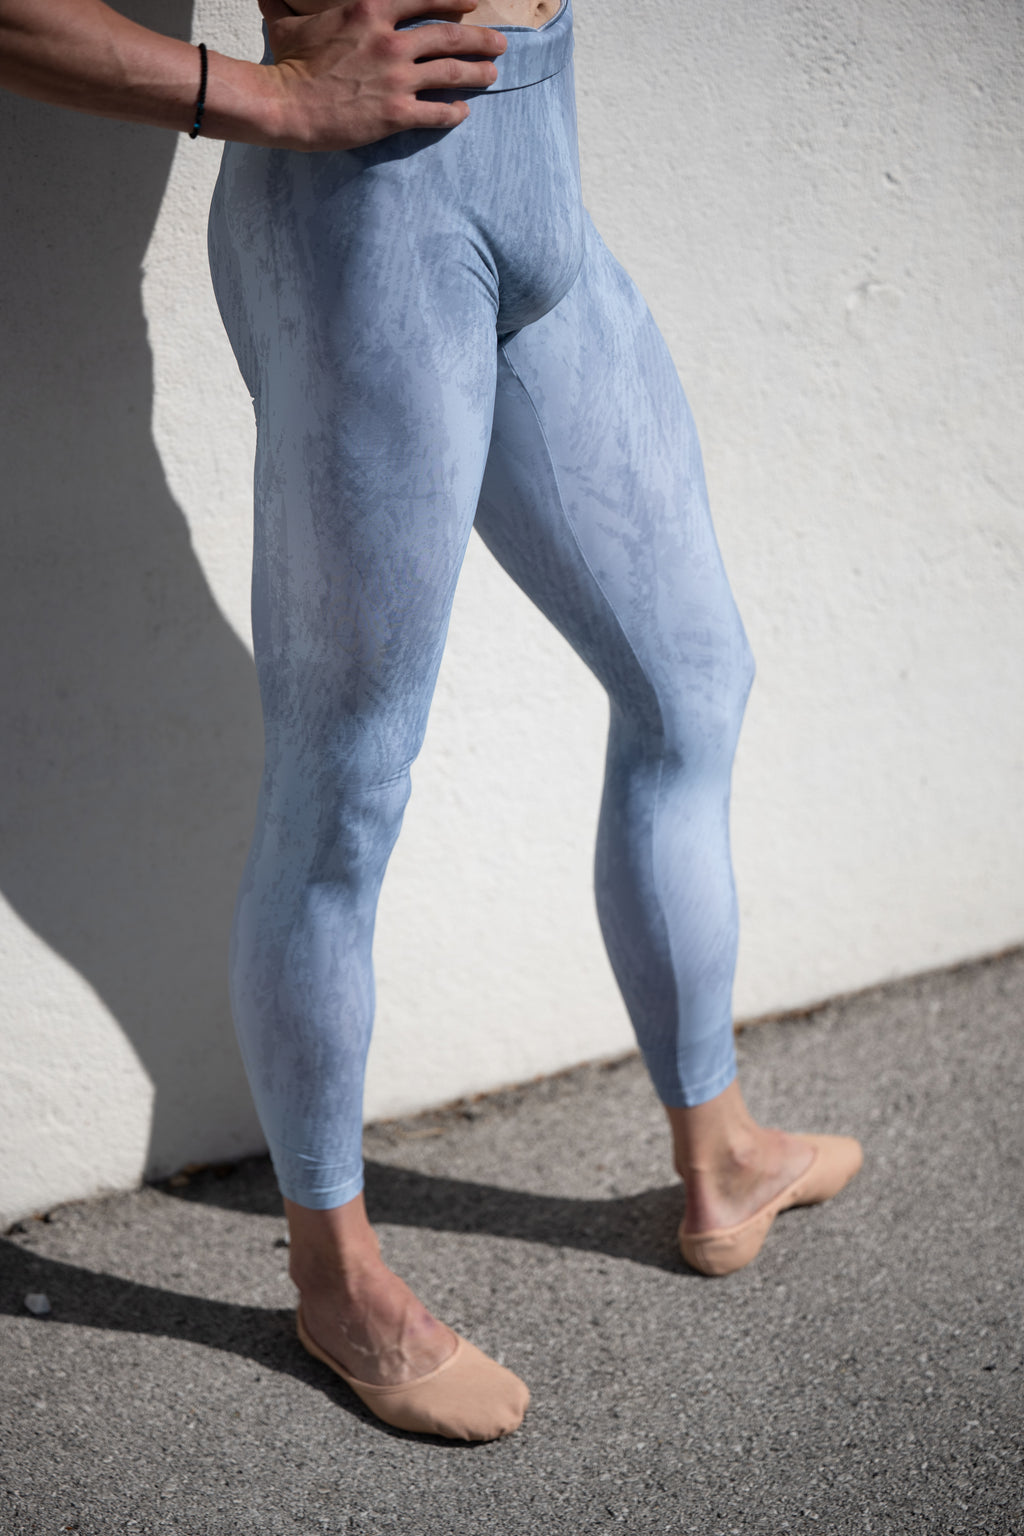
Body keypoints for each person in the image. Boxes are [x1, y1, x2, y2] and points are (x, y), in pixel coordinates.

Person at [2, 0, 861, 1443]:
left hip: (538, 167)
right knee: (345, 790)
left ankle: (719, 1152)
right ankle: (335, 1279)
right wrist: (263, 100)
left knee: (693, 681)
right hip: (368, 218)